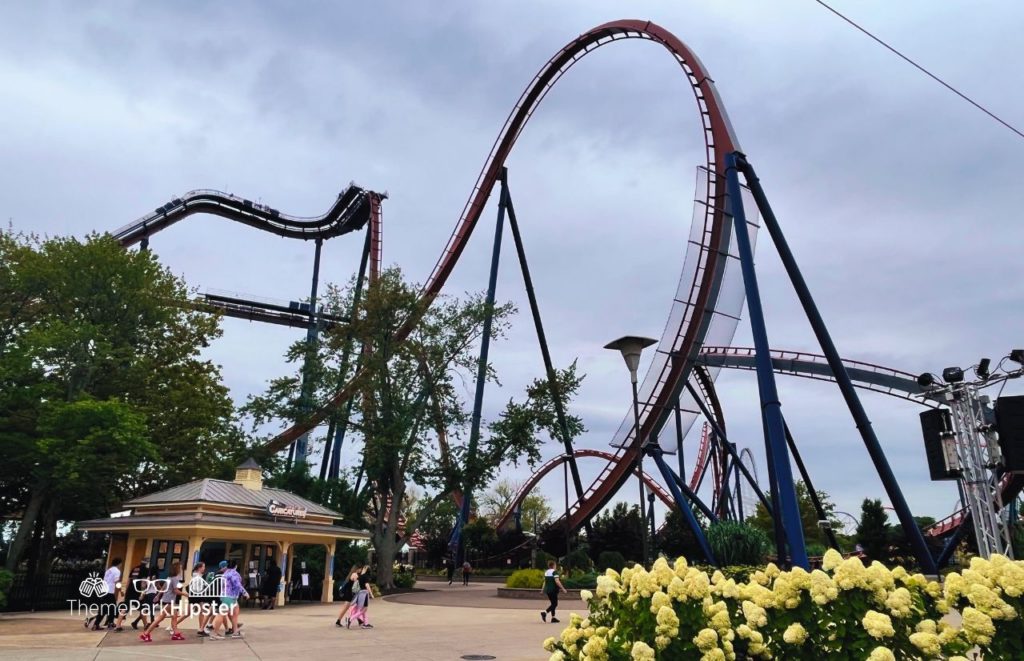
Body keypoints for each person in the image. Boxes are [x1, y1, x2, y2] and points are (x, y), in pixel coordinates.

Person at [140, 560, 185, 642]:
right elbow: (176, 591)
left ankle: (176, 634)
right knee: (164, 618)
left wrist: (158, 596)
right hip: (169, 601)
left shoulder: (169, 577)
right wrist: (186, 594)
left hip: (166, 600)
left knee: (172, 617)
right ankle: (146, 634)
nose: (181, 569)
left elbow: (164, 587)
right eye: (180, 568)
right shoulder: (175, 579)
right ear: (177, 569)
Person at [87, 557, 122, 630]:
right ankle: (98, 624)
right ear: (119, 563)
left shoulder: (108, 570)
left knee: (109, 608)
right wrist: (120, 591)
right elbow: (116, 582)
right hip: (109, 592)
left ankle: (108, 623)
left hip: (104, 591)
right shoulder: (117, 571)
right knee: (109, 608)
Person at [346, 565, 373, 629]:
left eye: (364, 568)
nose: (363, 568)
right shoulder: (365, 576)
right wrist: (371, 594)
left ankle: (365, 623)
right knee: (364, 609)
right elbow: (367, 585)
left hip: (360, 593)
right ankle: (350, 619)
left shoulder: (360, 576)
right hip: (364, 593)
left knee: (363, 609)